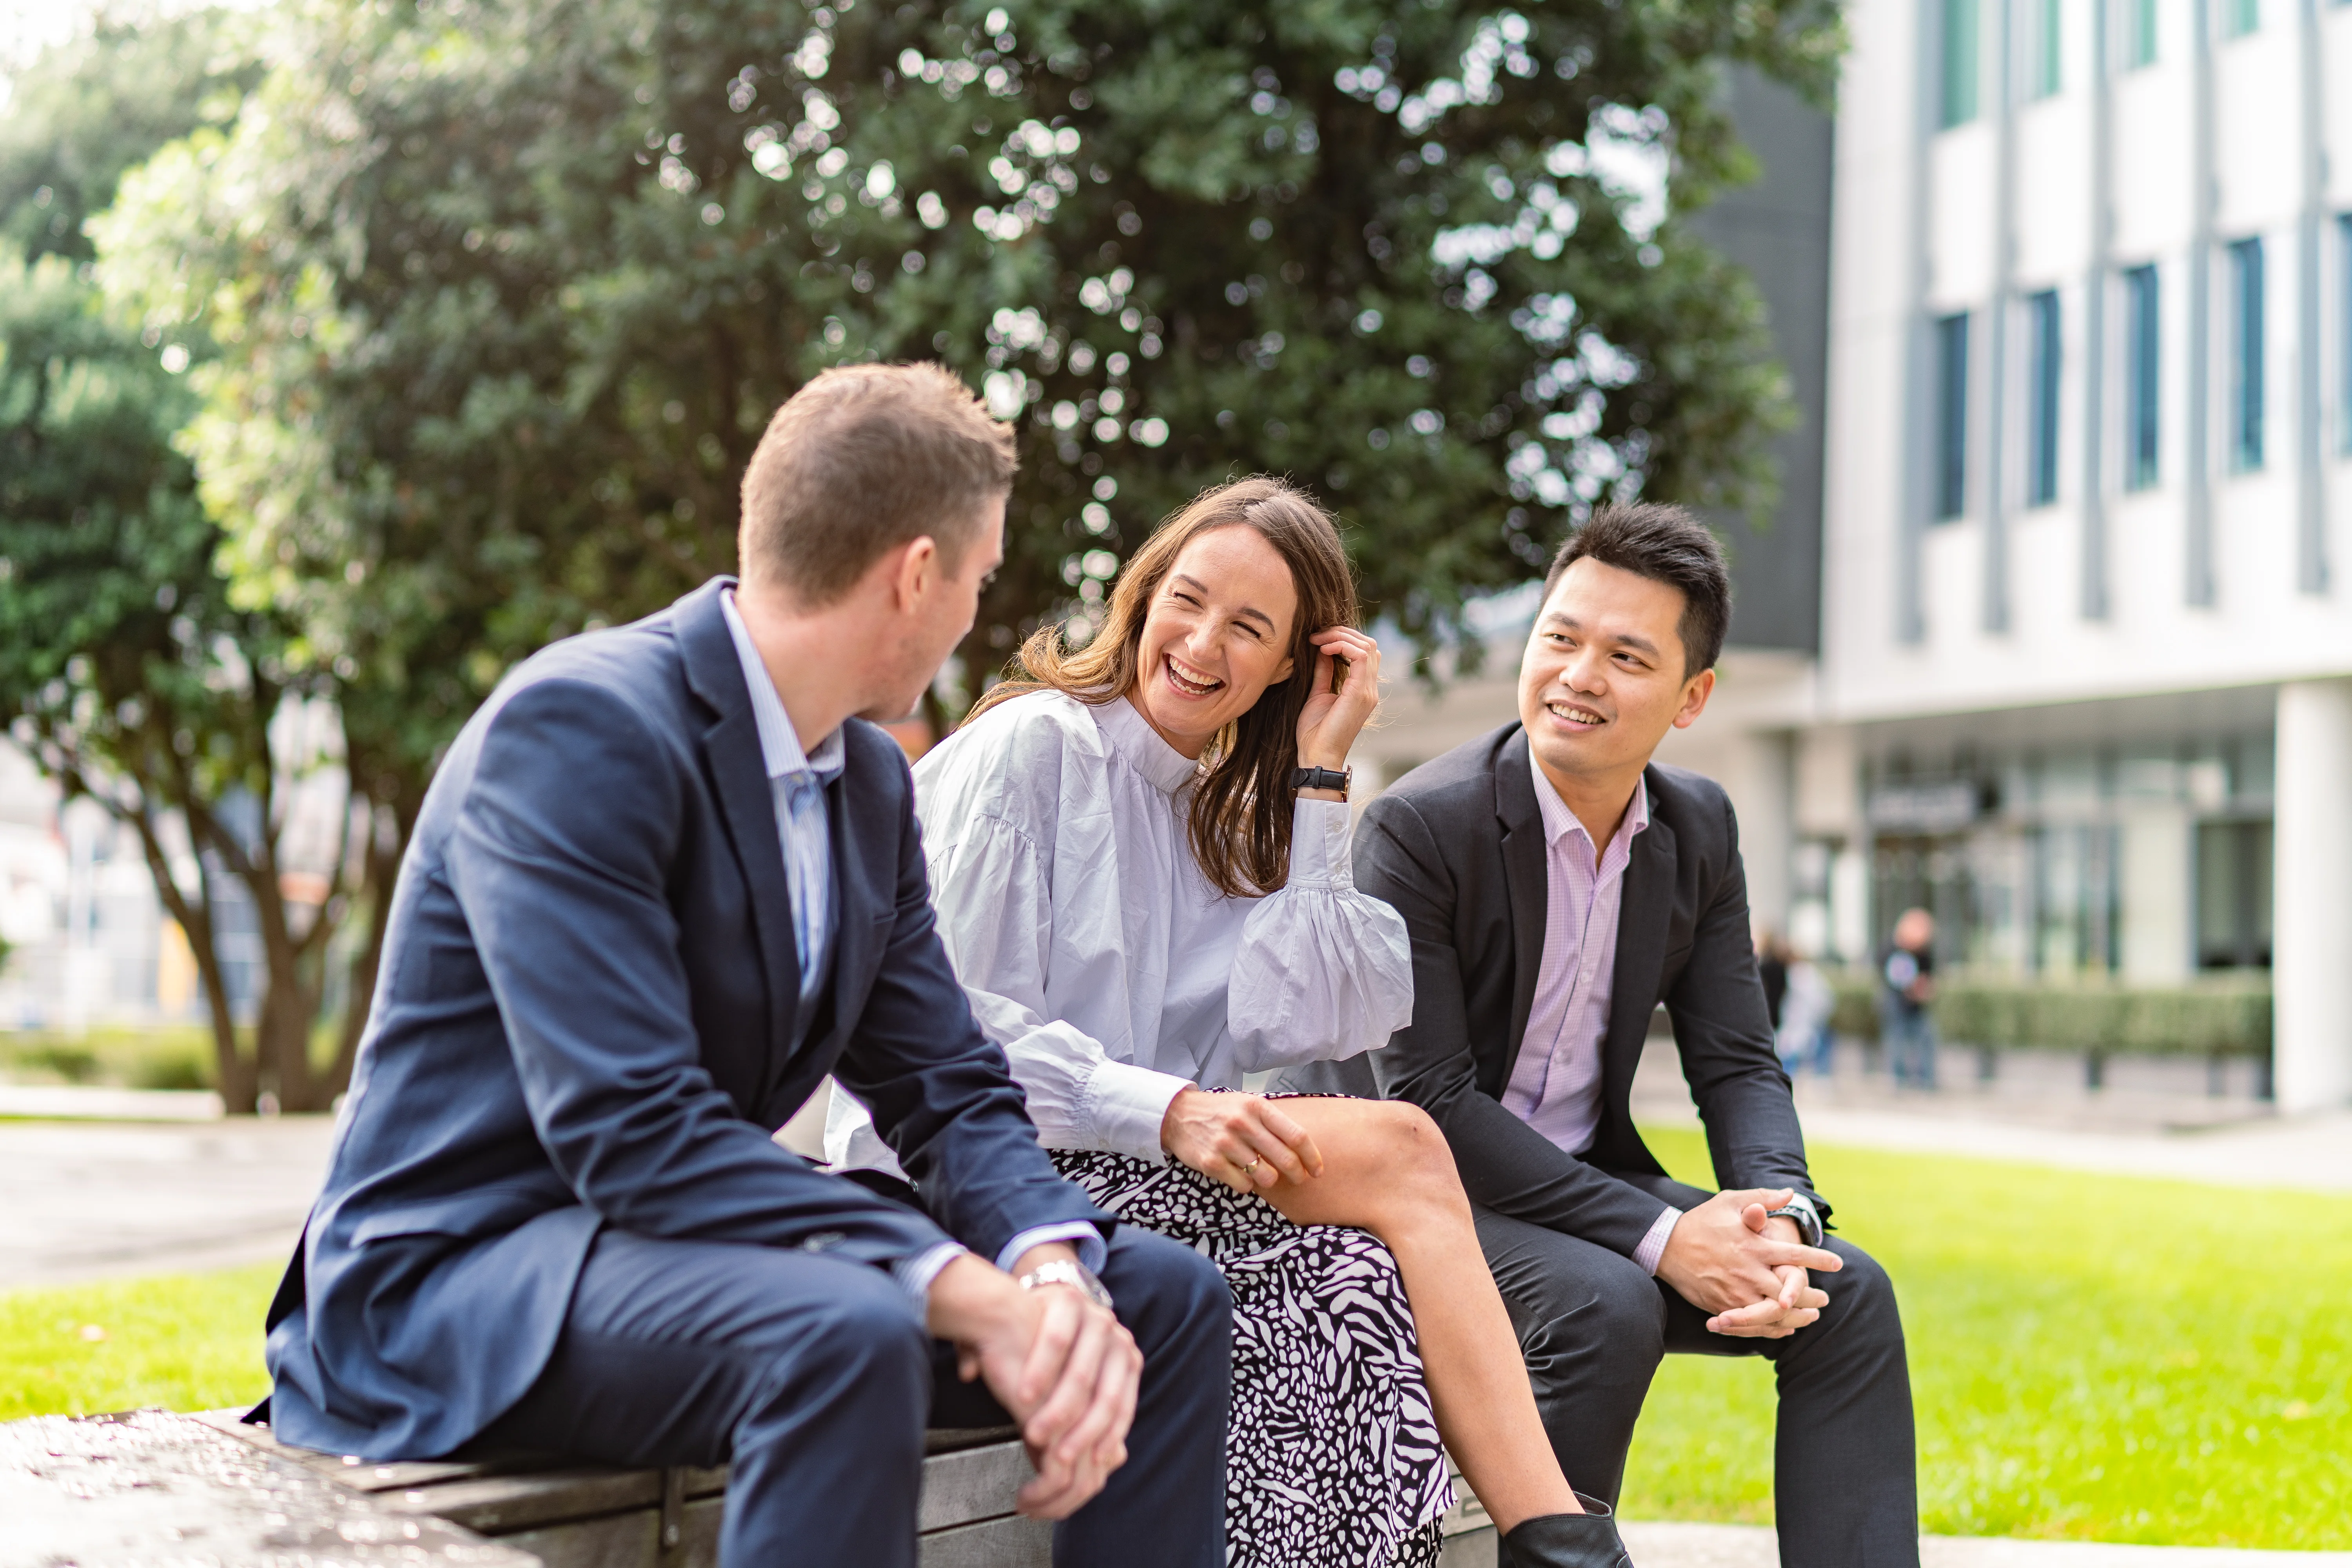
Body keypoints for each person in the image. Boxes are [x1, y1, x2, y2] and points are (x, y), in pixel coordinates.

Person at [252, 364, 1234, 1568]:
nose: (978, 610)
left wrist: (1045, 1263)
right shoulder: (578, 727)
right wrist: (959, 1286)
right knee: (849, 1329)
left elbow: (948, 1085)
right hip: (471, 1272)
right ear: (914, 575)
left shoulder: (868, 785)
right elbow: (631, 1128)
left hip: (687, 1249)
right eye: (977, 579)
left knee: (1158, 1300)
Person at [830, 478, 1632, 1568]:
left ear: (1289, 666)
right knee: (1399, 1145)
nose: (1203, 644)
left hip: (1136, 1178)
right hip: (970, 1178)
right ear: (1143, 597)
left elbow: (1326, 1017)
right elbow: (947, 1039)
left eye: (1250, 628)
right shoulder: (1039, 748)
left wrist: (1320, 773)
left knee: (1353, 1282)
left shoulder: (1210, 819)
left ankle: (1530, 1544)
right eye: (1188, 600)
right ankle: (1568, 1550)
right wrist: (1167, 1110)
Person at [1284, 504, 1919, 1567]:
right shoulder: (1420, 830)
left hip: (1576, 1187)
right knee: (1607, 1299)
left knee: (1841, 1295)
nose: (1580, 675)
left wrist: (1780, 1211)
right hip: (1405, 1193)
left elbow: (1738, 1060)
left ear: (1691, 697)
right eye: (1562, 638)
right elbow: (1429, 1100)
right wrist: (1672, 1239)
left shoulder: (1699, 828)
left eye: (1627, 656)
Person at [1880, 908, 1938, 1090]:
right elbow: (1888, 975)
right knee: (1897, 1040)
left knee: (1927, 1037)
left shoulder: (1924, 953)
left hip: (1917, 1004)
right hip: (1896, 1002)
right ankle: (1899, 1080)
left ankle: (1926, 1079)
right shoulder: (1892, 948)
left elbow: (1929, 977)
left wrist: (1924, 988)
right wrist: (1909, 986)